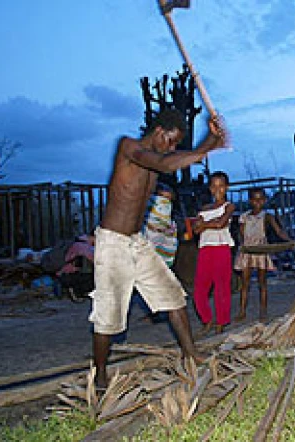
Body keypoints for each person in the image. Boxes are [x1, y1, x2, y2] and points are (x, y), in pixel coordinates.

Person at [90, 108, 226, 389]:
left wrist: (211, 139)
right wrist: (206, 147)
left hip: (137, 242)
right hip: (113, 243)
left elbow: (169, 160)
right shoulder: (129, 147)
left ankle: (190, 354)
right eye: (171, 140)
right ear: (159, 132)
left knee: (173, 296)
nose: (172, 147)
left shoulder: (156, 159)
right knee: (108, 315)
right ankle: (101, 375)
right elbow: (166, 164)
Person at [234, 188, 291, 322]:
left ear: (264, 200)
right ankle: (242, 311)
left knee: (262, 283)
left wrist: (288, 240)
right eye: (254, 199)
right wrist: (241, 246)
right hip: (248, 250)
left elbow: (279, 231)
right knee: (245, 283)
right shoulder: (244, 217)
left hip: (261, 250)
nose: (257, 202)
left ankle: (263, 312)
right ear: (250, 200)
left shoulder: (267, 216)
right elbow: (241, 234)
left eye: (260, 199)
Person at [192, 171, 235, 335]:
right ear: (210, 188)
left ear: (227, 187)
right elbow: (195, 230)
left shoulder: (229, 206)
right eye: (214, 186)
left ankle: (221, 322)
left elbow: (221, 224)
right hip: (205, 249)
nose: (218, 189)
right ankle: (207, 319)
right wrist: (204, 225)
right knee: (200, 289)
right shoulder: (204, 209)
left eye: (221, 186)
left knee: (221, 287)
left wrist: (204, 225)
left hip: (221, 248)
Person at [142, 182, 179, 268]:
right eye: (162, 197)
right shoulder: (142, 220)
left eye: (168, 199)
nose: (165, 203)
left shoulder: (172, 225)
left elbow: (171, 250)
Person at [56, 232, 96, 301]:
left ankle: (75, 290)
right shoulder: (83, 246)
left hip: (64, 273)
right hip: (67, 275)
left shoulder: (79, 242)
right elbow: (94, 260)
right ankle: (76, 292)